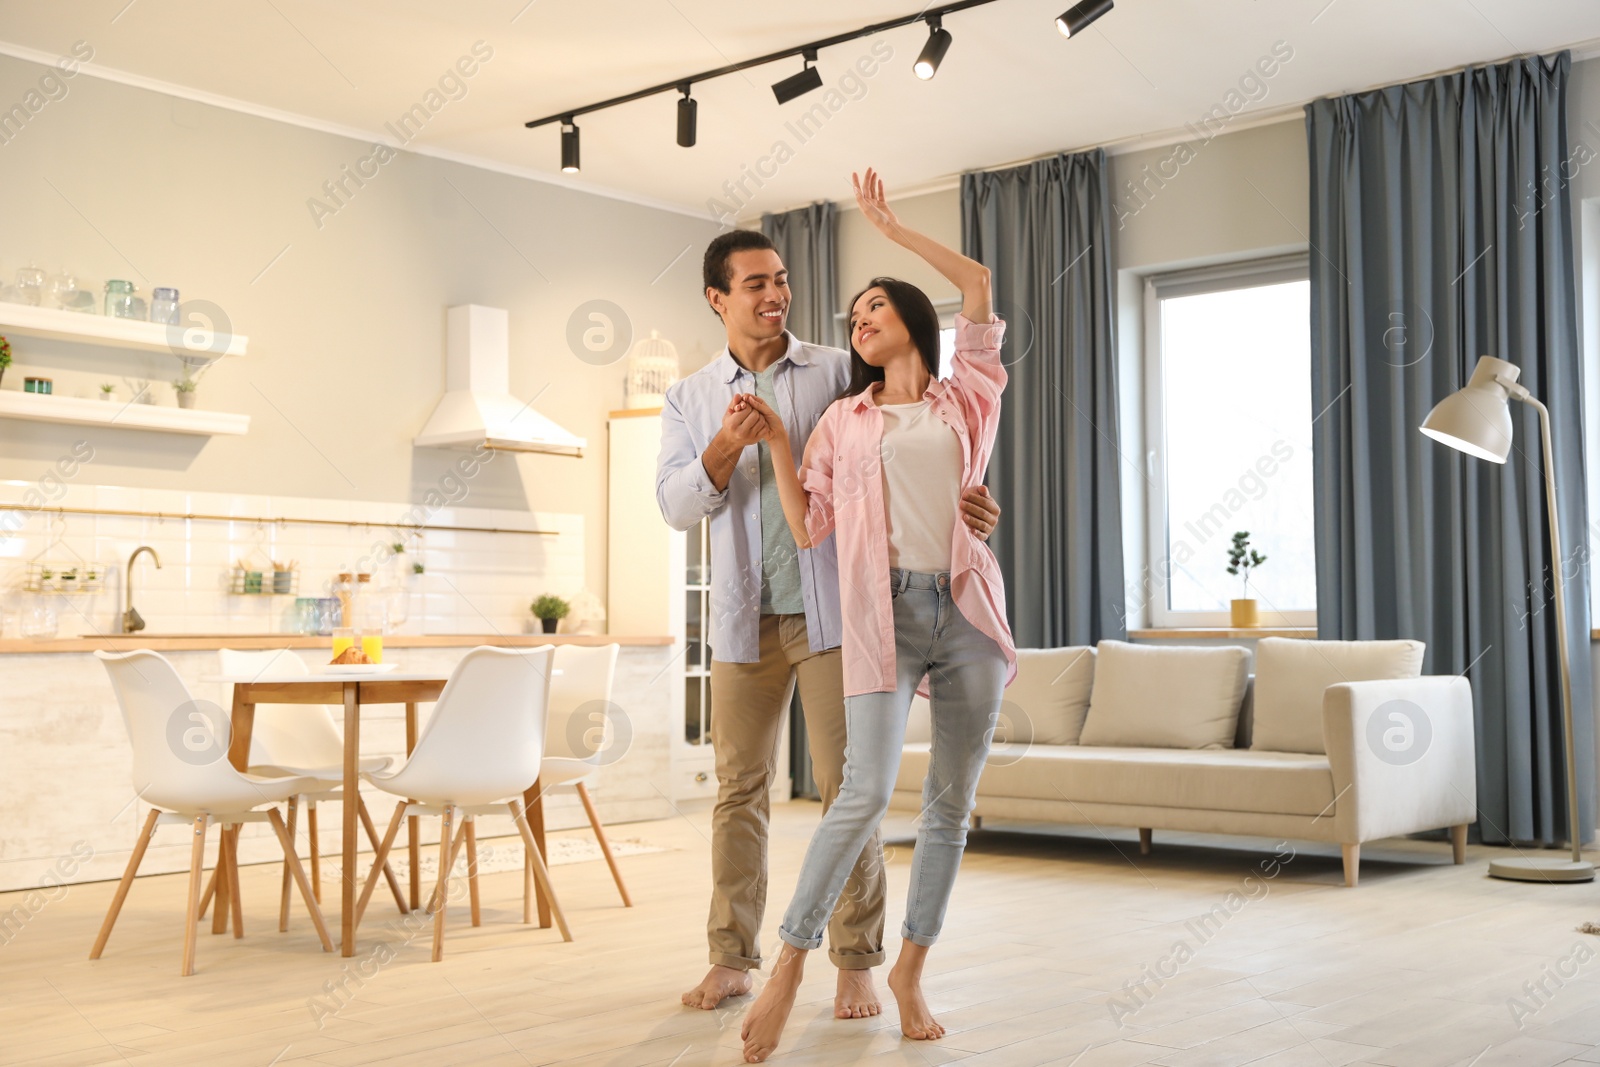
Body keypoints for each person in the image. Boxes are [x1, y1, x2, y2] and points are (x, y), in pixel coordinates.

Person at [656, 227, 1003, 1017]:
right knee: (739, 788)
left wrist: (973, 508)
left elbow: (925, 445)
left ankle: (857, 958)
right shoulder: (689, 397)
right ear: (719, 298)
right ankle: (731, 957)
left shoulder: (836, 372)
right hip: (746, 615)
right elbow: (677, 505)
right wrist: (724, 445)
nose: (776, 294)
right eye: (756, 284)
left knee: (854, 789)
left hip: (839, 614)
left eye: (781, 280)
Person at [735, 168, 1016, 1062]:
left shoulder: (965, 395)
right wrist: (780, 440)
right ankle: (788, 961)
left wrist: (892, 232)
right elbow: (808, 524)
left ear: (909, 319)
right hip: (882, 614)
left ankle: (911, 968)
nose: (858, 322)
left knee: (951, 805)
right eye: (852, 316)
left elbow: (974, 285)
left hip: (966, 609)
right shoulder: (842, 422)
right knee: (859, 793)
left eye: (873, 307)